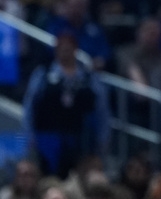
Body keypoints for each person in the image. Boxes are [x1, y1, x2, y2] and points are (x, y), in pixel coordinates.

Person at [23, 28, 110, 176]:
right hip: (49, 137)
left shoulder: (89, 78)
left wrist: (103, 138)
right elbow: (29, 106)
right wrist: (29, 134)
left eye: (68, 47)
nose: (65, 50)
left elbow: (102, 110)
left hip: (81, 137)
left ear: (76, 49)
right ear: (56, 49)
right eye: (61, 47)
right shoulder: (43, 74)